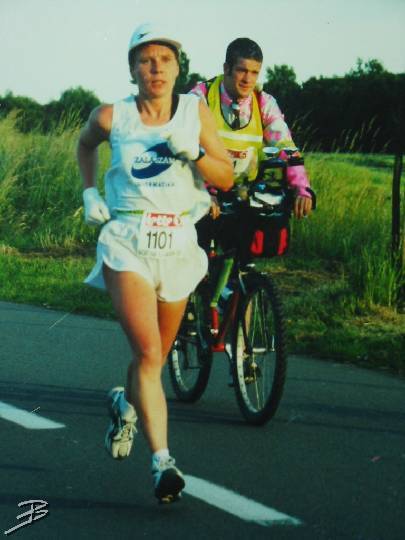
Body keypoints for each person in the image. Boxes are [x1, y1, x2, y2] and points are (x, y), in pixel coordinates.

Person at [76, 22, 233, 503]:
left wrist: (198, 155)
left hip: (178, 243)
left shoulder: (194, 111)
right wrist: (88, 191)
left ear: (178, 67)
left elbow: (224, 176)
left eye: (165, 59)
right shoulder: (111, 116)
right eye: (146, 60)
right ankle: (163, 462)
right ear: (132, 69)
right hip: (127, 241)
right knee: (147, 354)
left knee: (156, 359)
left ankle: (125, 406)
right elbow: (84, 145)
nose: (156, 68)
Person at [190, 37, 313, 253]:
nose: (248, 79)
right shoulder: (201, 97)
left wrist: (302, 188)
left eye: (255, 72)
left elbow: (285, 144)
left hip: (243, 191)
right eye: (242, 70)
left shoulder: (263, 102)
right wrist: (203, 192)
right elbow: (186, 147)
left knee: (243, 255)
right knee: (197, 263)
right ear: (226, 68)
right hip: (203, 189)